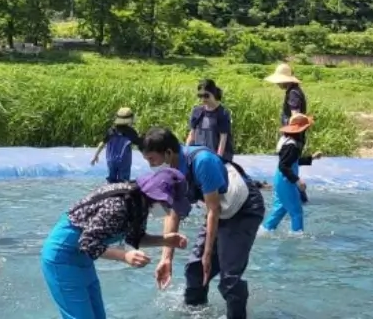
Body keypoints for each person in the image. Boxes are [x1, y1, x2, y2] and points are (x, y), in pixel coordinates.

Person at [140, 127, 265, 319]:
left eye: (152, 160)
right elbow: (173, 213)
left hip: (243, 210)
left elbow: (214, 209)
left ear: (168, 153)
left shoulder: (202, 162)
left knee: (229, 279)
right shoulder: (171, 172)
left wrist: (208, 254)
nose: (150, 166)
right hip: (219, 211)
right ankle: (195, 313)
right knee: (195, 269)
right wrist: (166, 258)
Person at [40, 168, 192, 319]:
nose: (169, 210)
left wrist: (165, 240)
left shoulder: (139, 203)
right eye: (169, 205)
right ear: (157, 197)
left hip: (83, 258)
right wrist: (124, 256)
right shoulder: (119, 205)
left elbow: (135, 237)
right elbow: (88, 242)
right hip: (61, 257)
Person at [262, 114, 323, 234]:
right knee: (296, 211)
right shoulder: (292, 146)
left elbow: (293, 162)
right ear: (300, 131)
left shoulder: (287, 141)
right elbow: (284, 166)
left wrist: (312, 158)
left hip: (280, 179)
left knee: (280, 208)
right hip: (286, 181)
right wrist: (297, 180)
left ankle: (264, 230)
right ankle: (297, 236)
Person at [264, 63, 311, 203]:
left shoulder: (293, 93)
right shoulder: (294, 91)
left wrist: (290, 135)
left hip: (293, 136)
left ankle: (297, 196)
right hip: (295, 136)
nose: (278, 84)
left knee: (286, 166)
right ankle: (299, 197)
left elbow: (295, 115)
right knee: (292, 165)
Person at [187, 80, 235, 162]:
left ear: (213, 94)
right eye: (200, 95)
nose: (203, 99)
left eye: (206, 96)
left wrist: (218, 160)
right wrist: (186, 154)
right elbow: (192, 135)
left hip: (218, 155)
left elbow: (223, 140)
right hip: (201, 154)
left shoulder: (222, 113)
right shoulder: (197, 111)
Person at [90, 107, 140, 183]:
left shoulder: (111, 131)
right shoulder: (131, 132)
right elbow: (139, 143)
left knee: (111, 179)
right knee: (123, 181)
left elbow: (102, 144)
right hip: (124, 160)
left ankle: (110, 192)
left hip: (111, 160)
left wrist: (95, 156)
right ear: (130, 119)